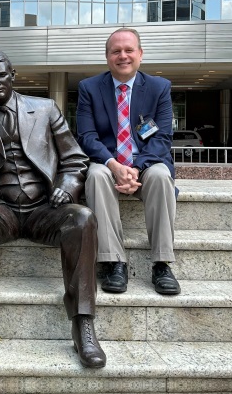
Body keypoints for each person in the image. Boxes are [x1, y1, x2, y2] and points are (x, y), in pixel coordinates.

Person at [0, 50, 106, 369]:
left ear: (12, 74)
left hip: (45, 208)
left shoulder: (45, 109)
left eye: (1, 75)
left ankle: (83, 325)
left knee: (83, 217)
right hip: (0, 210)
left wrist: (66, 186)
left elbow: (74, 159)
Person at [76, 27, 180, 296]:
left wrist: (134, 169)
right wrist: (114, 166)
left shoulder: (159, 88)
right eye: (116, 51)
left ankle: (162, 263)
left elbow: (162, 138)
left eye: (128, 50)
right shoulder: (89, 88)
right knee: (96, 175)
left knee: (159, 175)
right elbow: (87, 137)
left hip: (145, 163)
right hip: (107, 162)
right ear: (107, 56)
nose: (122, 56)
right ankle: (114, 262)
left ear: (140, 54)